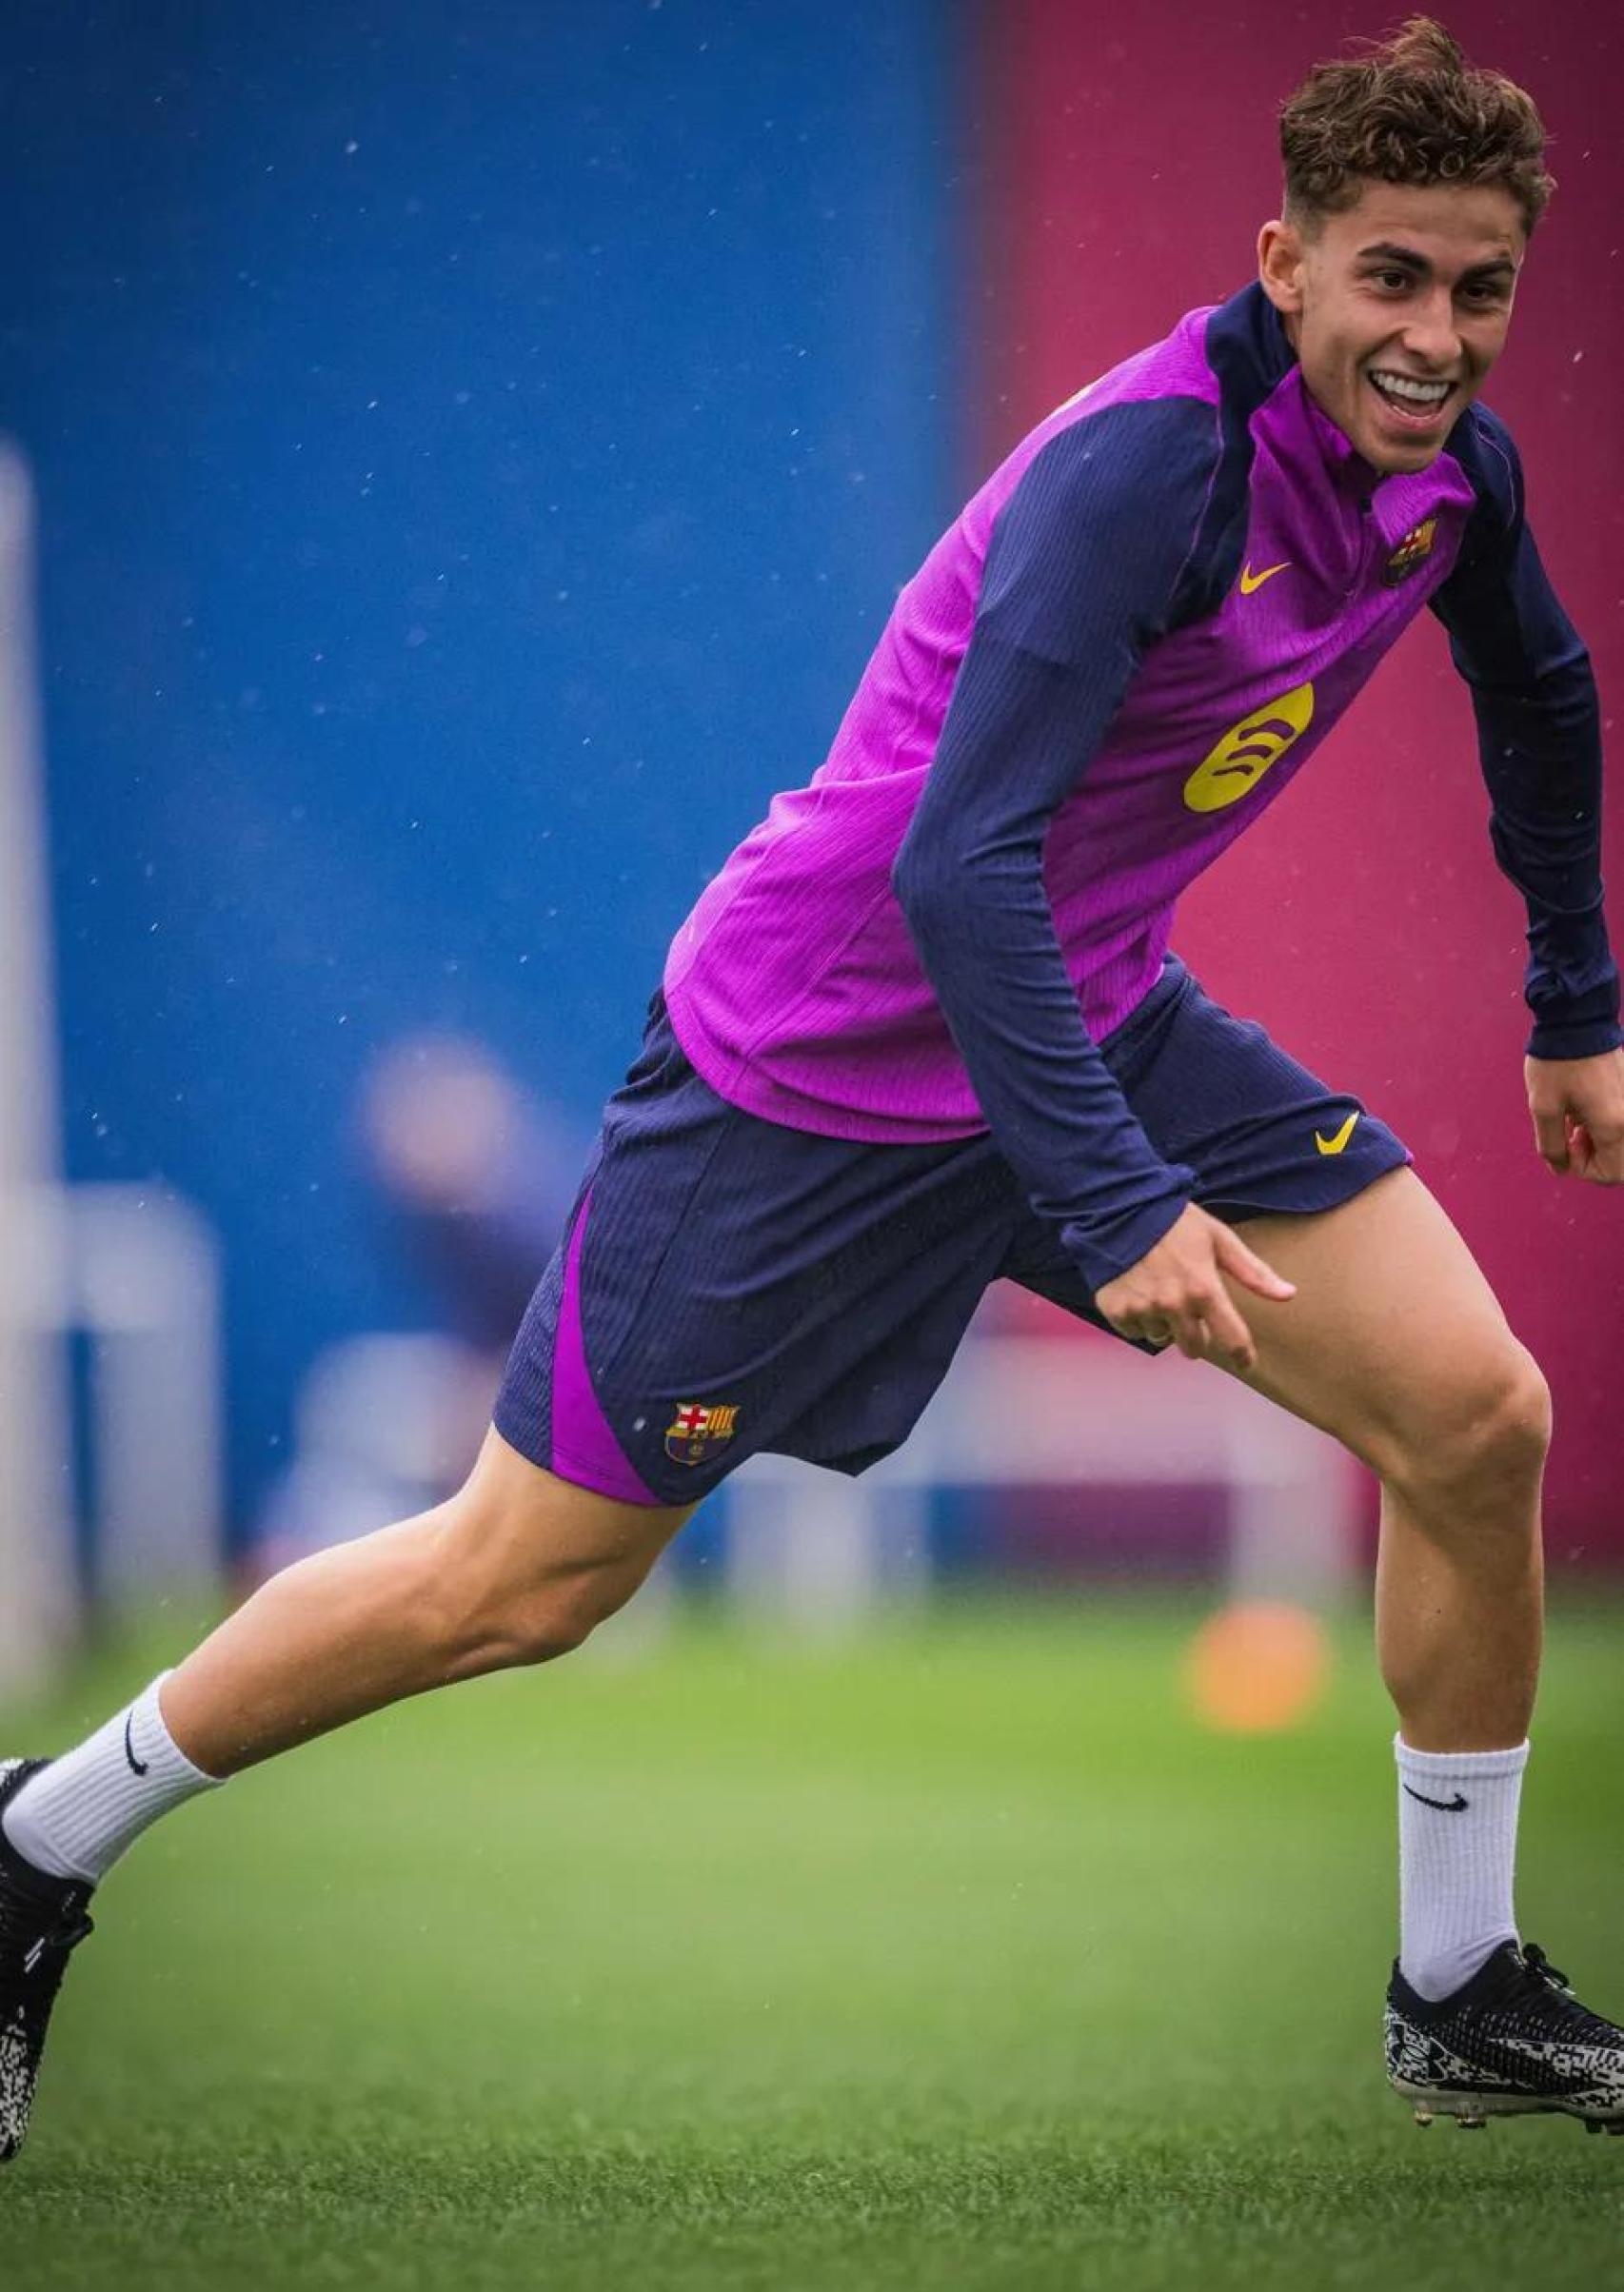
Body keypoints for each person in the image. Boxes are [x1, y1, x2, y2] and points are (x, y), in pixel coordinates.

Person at [5, 15, 1623, 2156]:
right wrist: (1124, 1202)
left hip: (1079, 1007)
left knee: (1475, 1417)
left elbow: (1542, 685)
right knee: (523, 1581)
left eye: (1478, 287)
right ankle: (41, 1839)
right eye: (1389, 279)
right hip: (816, 1068)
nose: (1434, 333)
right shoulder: (1151, 467)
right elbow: (957, 869)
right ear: (1284, 261)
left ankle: (1453, 1983)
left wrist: (1572, 993)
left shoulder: (1448, 482)